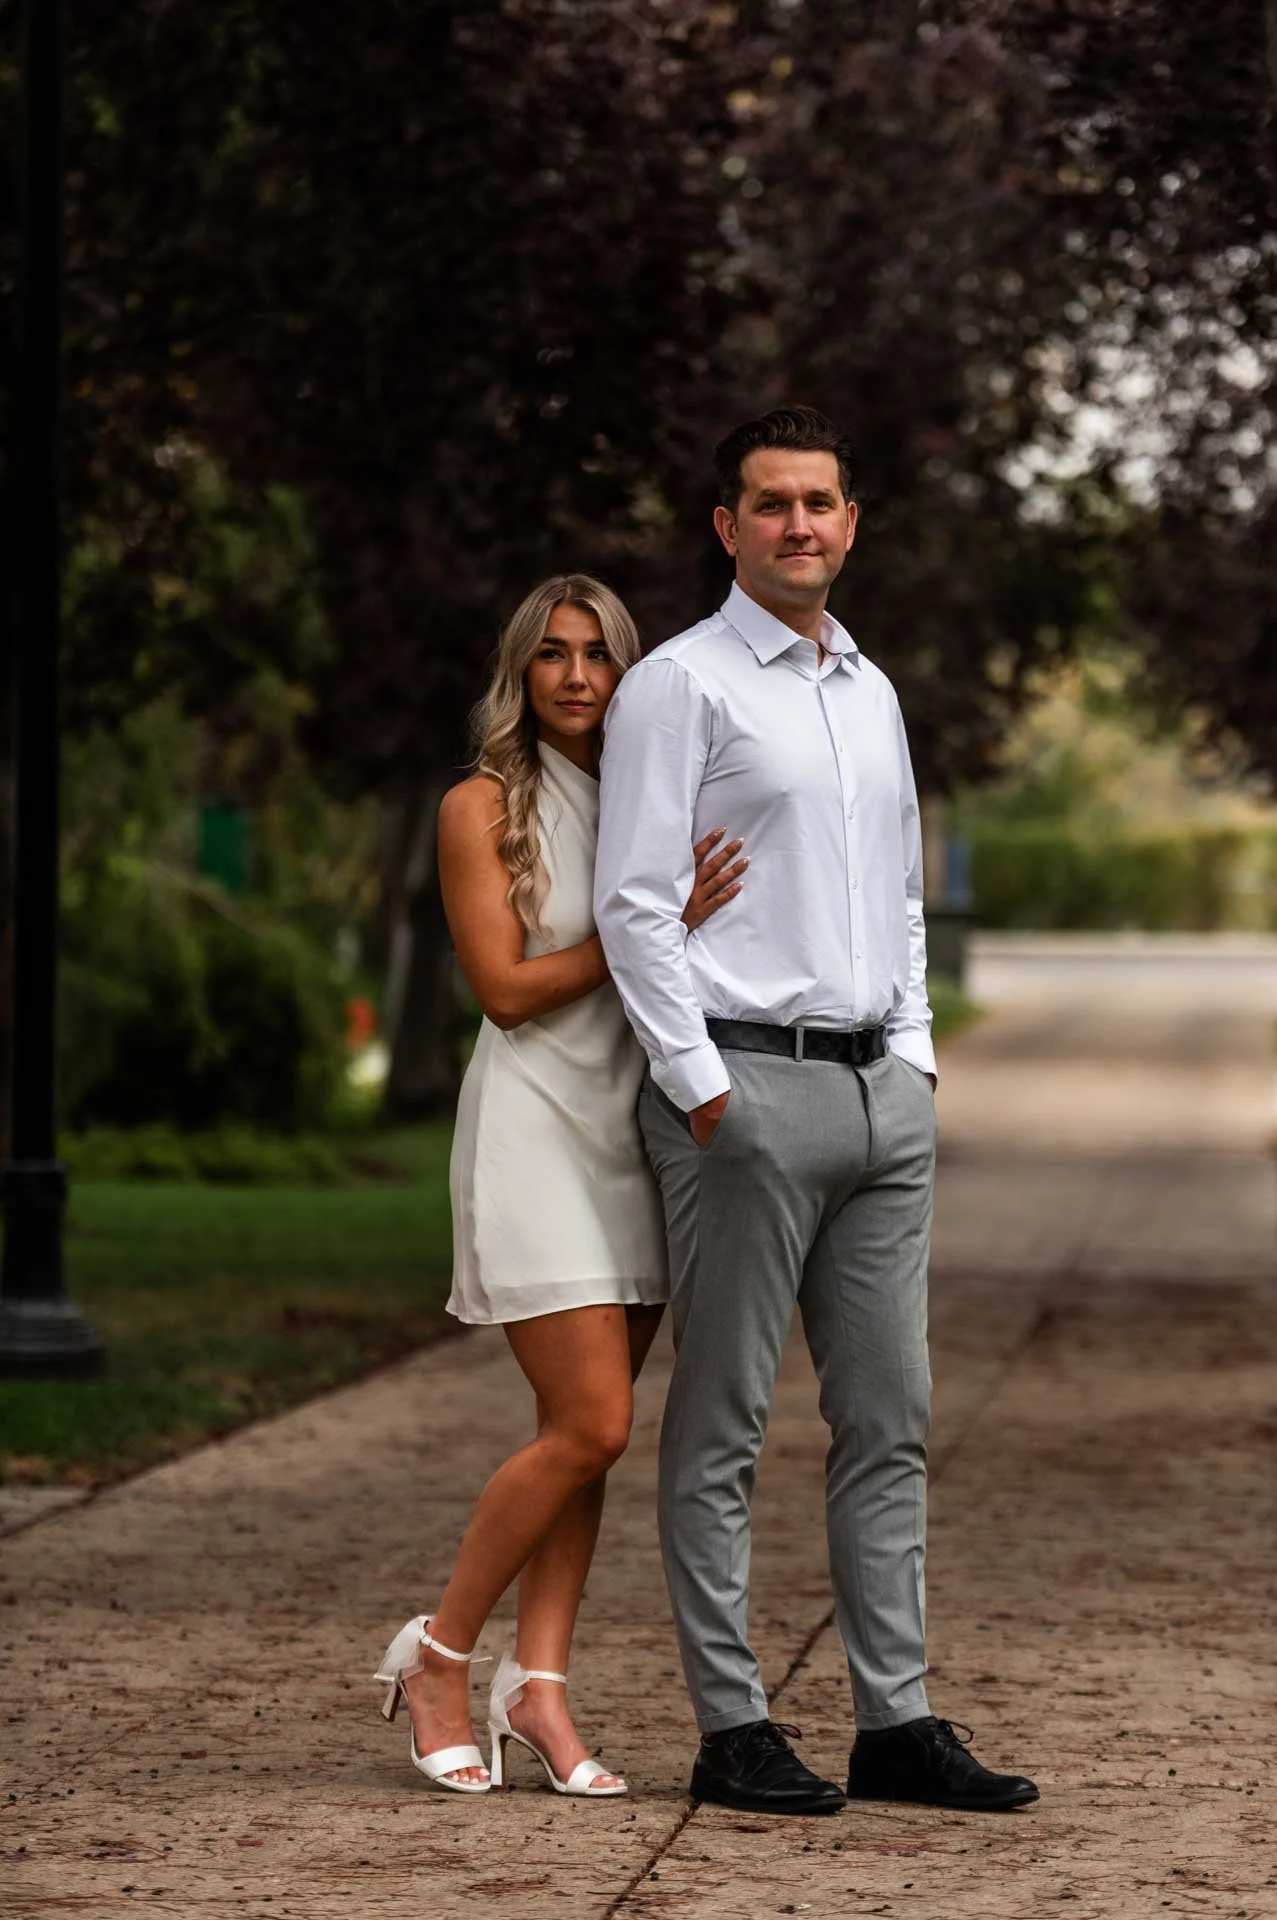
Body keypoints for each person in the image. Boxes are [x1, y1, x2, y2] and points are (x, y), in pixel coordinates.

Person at [594, 407, 1038, 1817]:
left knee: (890, 1420)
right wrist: (703, 1089)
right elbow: (633, 904)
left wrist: (911, 1059)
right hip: (743, 1093)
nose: (799, 524)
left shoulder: (869, 688)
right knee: (721, 1425)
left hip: (875, 1098)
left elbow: (898, 893)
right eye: (771, 503)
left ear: (851, 523)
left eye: (820, 502)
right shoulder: (678, 685)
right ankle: (730, 1725)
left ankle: (893, 1724)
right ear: (727, 527)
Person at [373, 573, 747, 1797]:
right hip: (534, 1128)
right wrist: (651, 926)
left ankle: (539, 1688)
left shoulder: (652, 799)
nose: (576, 675)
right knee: (593, 1423)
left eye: (598, 654)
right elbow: (504, 990)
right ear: (520, 672)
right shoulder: (478, 805)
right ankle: (437, 1655)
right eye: (552, 654)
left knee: (578, 1442)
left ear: (627, 674)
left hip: (635, 1133)